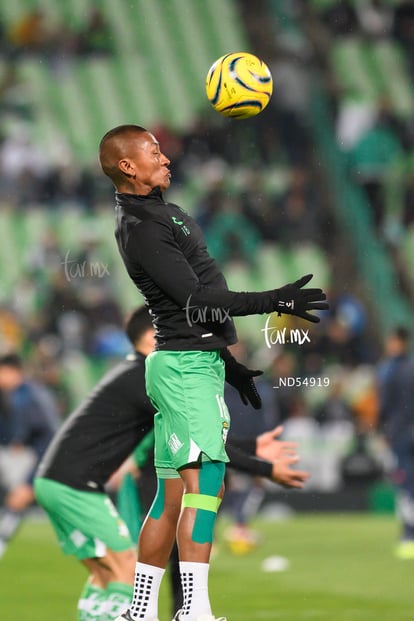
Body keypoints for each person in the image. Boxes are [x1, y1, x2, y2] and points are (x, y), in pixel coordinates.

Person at [98, 124, 328, 621]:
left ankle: (140, 611)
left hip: (191, 363)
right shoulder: (140, 227)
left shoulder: (164, 214)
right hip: (183, 368)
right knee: (208, 486)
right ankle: (194, 611)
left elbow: (200, 298)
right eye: (152, 150)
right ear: (127, 166)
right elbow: (195, 299)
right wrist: (275, 300)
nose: (165, 156)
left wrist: (228, 362)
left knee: (173, 491)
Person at [34, 306, 309, 621]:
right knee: (125, 565)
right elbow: (202, 445)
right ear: (154, 336)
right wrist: (266, 468)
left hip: (57, 480)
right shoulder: (150, 378)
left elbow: (194, 439)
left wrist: (254, 446)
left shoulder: (132, 374)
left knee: (105, 572)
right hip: (74, 486)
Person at [0, 353, 60, 558]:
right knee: (15, 500)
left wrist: (32, 477)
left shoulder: (30, 397)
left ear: (10, 371)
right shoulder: (18, 394)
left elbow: (50, 435)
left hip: (40, 457)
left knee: (19, 497)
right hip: (28, 456)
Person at [377, 326, 414, 559]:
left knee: (405, 485)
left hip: (400, 434)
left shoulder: (389, 370)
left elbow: (384, 406)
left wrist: (383, 431)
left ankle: (409, 533)